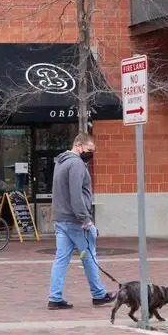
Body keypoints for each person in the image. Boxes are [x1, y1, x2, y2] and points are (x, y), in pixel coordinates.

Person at [47, 133, 115, 310]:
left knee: (61, 259)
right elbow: (76, 194)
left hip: (61, 218)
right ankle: (98, 294)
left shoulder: (60, 162)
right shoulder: (76, 164)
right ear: (79, 145)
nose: (90, 154)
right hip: (75, 221)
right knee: (89, 256)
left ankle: (54, 297)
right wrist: (85, 219)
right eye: (89, 149)